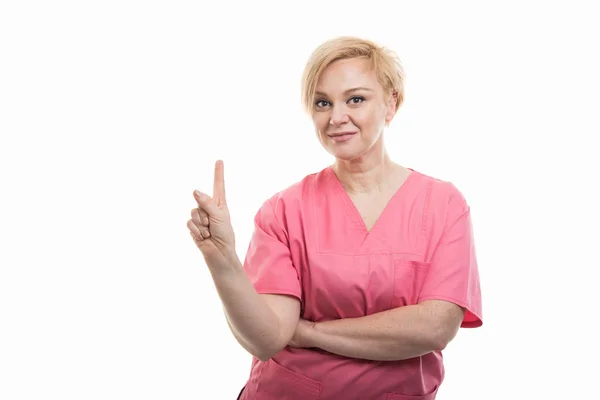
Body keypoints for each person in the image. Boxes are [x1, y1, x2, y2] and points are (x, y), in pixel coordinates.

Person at [187, 36, 483, 400]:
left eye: (355, 99)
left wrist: (307, 333)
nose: (336, 117)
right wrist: (222, 259)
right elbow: (267, 340)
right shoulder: (283, 211)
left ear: (392, 103)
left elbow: (435, 327)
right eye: (322, 103)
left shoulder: (443, 204)